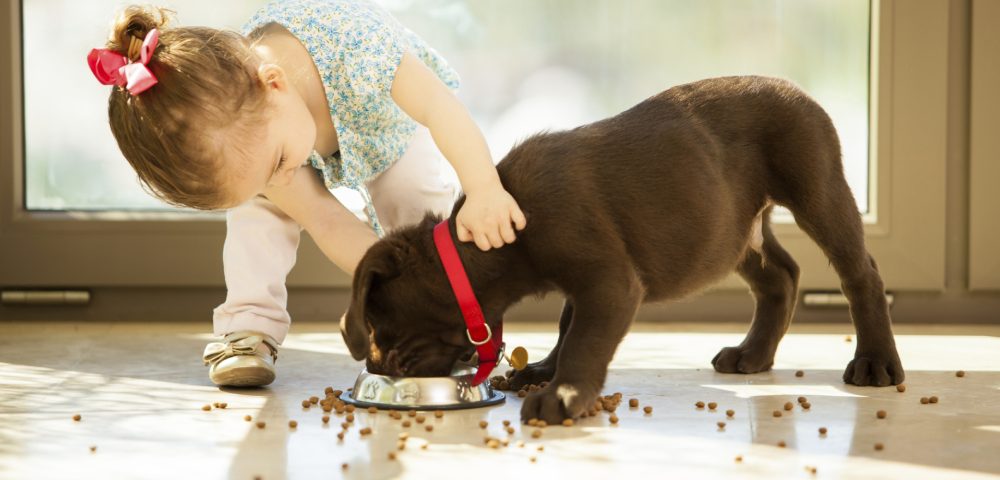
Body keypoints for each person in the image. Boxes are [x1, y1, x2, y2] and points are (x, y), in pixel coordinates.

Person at [88, 0, 526, 387]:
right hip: (283, 134)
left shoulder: (361, 48)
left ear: (274, 83)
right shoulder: (260, 138)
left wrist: (484, 188)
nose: (279, 179)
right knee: (257, 214)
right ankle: (247, 328)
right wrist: (386, 284)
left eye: (277, 164)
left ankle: (443, 316)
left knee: (413, 199)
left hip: (386, 126)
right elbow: (324, 217)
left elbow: (439, 107)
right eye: (264, 176)